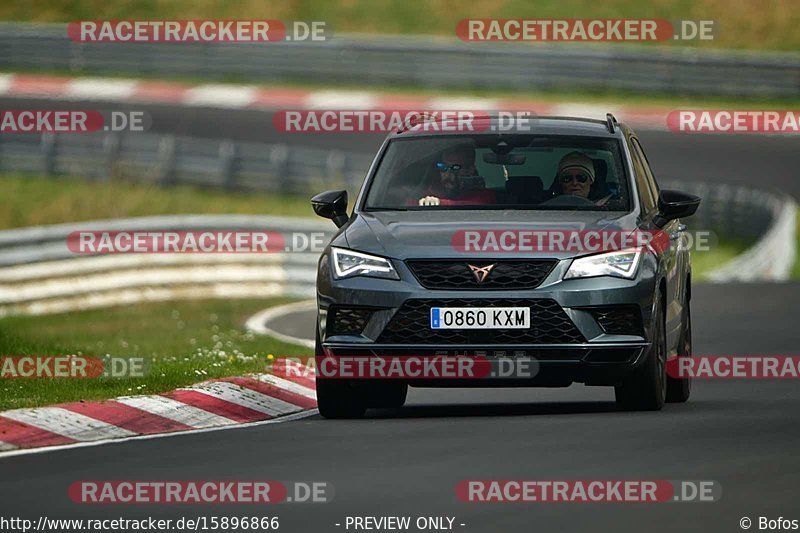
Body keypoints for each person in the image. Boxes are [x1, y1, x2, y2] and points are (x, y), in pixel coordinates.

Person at [417, 143, 496, 206]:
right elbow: (410, 203)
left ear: (469, 170)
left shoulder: (484, 195)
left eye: (455, 168)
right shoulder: (432, 190)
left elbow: (475, 205)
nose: (448, 174)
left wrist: (440, 203)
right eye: (443, 167)